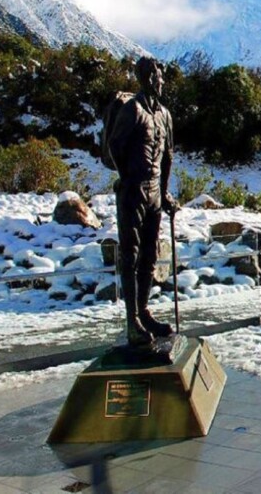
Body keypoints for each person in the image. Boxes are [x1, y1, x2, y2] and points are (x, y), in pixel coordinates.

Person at [108, 56, 178, 346]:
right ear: (150, 78)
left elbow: (168, 156)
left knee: (148, 255)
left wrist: (164, 192)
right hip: (133, 191)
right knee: (130, 255)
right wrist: (127, 178)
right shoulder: (132, 110)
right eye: (160, 78)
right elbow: (115, 146)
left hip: (153, 194)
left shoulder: (164, 114)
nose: (162, 83)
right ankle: (131, 321)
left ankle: (144, 311)